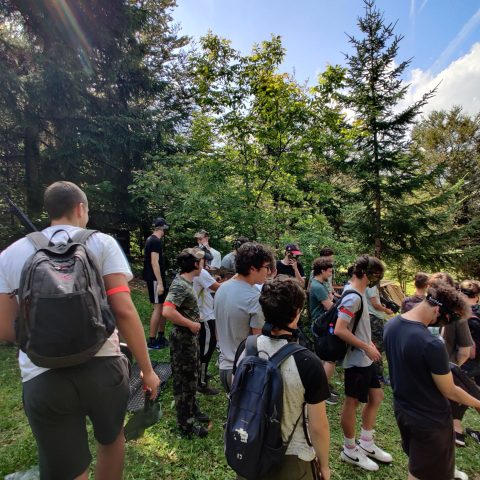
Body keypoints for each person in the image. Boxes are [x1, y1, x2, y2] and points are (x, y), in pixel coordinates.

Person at [0, 181, 160, 480]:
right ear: (81, 208)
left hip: (42, 375)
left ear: (49, 210)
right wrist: (147, 370)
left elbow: (5, 329)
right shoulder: (101, 243)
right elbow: (124, 311)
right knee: (111, 441)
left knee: (65, 465)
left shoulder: (11, 254)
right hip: (103, 368)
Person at [234, 277, 331, 480]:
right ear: (297, 313)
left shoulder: (247, 347)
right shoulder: (308, 362)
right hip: (291, 459)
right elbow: (318, 427)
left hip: (249, 449)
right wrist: (324, 466)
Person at [384, 280, 480, 480]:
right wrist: (477, 403)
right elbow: (450, 391)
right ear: (437, 309)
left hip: (403, 410)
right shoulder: (431, 344)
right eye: (446, 320)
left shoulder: (392, 325)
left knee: (419, 465)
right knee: (423, 474)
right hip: (430, 421)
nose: (443, 325)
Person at [334, 255, 392, 472]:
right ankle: (349, 448)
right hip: (356, 360)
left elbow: (357, 325)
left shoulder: (358, 292)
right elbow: (340, 330)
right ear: (366, 274)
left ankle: (366, 442)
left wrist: (369, 343)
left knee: (376, 396)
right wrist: (365, 346)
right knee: (352, 402)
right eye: (376, 276)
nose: (377, 280)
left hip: (365, 356)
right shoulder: (353, 297)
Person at [214, 241, 275, 392]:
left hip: (224, 367)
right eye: (266, 267)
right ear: (253, 268)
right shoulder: (254, 298)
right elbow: (258, 343)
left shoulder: (222, 288)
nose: (268, 272)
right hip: (244, 371)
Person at [163, 248, 210, 438]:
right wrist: (191, 324)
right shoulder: (180, 285)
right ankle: (186, 425)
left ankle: (192, 409)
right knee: (184, 381)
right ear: (196, 264)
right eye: (202, 261)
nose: (204, 264)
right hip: (183, 339)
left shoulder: (187, 282)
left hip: (189, 338)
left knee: (191, 376)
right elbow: (167, 311)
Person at [309, 257, 338, 405]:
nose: (330, 274)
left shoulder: (318, 284)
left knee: (322, 358)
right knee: (330, 359)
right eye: (329, 271)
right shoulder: (318, 287)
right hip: (321, 325)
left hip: (321, 324)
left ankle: (320, 386)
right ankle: (322, 391)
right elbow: (330, 307)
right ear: (322, 271)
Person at [193, 259, 221, 395]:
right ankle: (201, 382)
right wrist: (235, 279)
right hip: (205, 316)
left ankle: (200, 373)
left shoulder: (192, 272)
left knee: (203, 347)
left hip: (203, 314)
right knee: (207, 349)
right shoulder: (201, 272)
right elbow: (219, 288)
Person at [143, 217, 169, 349]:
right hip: (154, 279)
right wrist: (159, 283)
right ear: (162, 228)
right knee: (158, 307)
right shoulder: (155, 241)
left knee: (162, 306)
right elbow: (154, 262)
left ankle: (161, 336)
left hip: (156, 279)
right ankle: (152, 341)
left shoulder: (152, 240)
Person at [365, 284, 393, 384]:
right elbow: (375, 304)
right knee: (378, 347)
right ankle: (378, 376)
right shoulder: (371, 286)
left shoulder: (366, 285)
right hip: (374, 319)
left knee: (375, 345)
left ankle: (375, 373)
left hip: (372, 317)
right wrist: (386, 310)